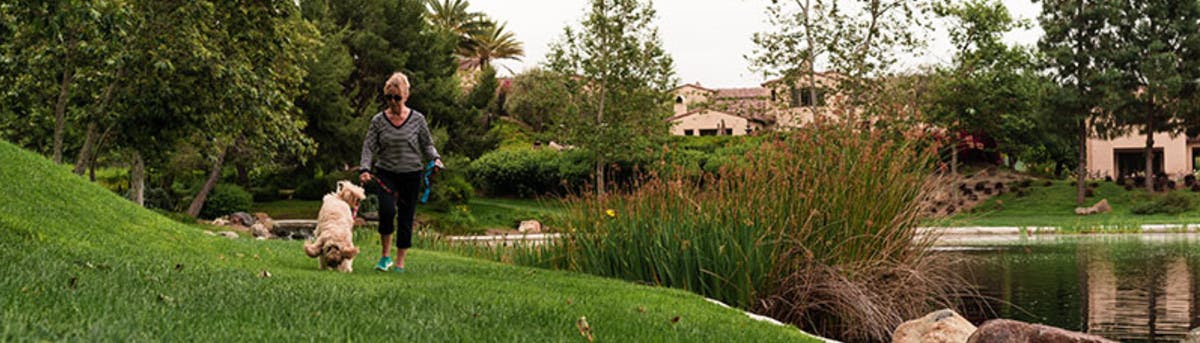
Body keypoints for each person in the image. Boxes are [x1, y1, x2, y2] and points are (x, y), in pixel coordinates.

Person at [359, 72, 443, 273]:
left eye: (397, 97)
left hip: (411, 173)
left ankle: (400, 262)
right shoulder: (378, 120)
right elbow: (369, 146)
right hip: (386, 172)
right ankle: (385, 257)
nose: (393, 102)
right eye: (389, 98)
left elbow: (427, 144)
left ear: (406, 96)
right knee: (386, 212)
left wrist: (436, 158)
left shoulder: (418, 119)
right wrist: (364, 168)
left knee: (406, 217)